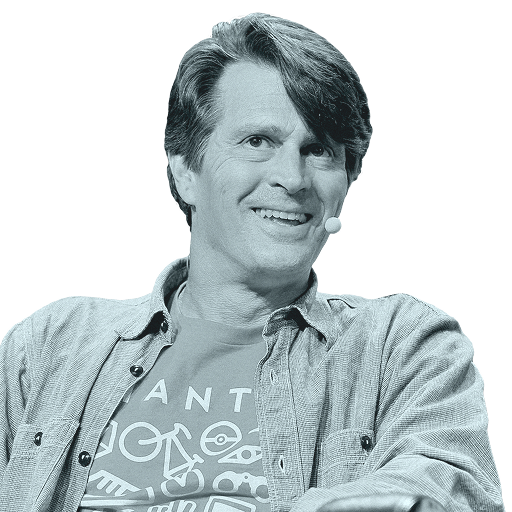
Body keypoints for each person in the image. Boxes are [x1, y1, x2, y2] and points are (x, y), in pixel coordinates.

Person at [0, 12, 504, 512]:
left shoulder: (401, 344)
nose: (294, 178)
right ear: (186, 171)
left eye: (319, 150)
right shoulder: (50, 345)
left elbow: (447, 486)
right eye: (257, 141)